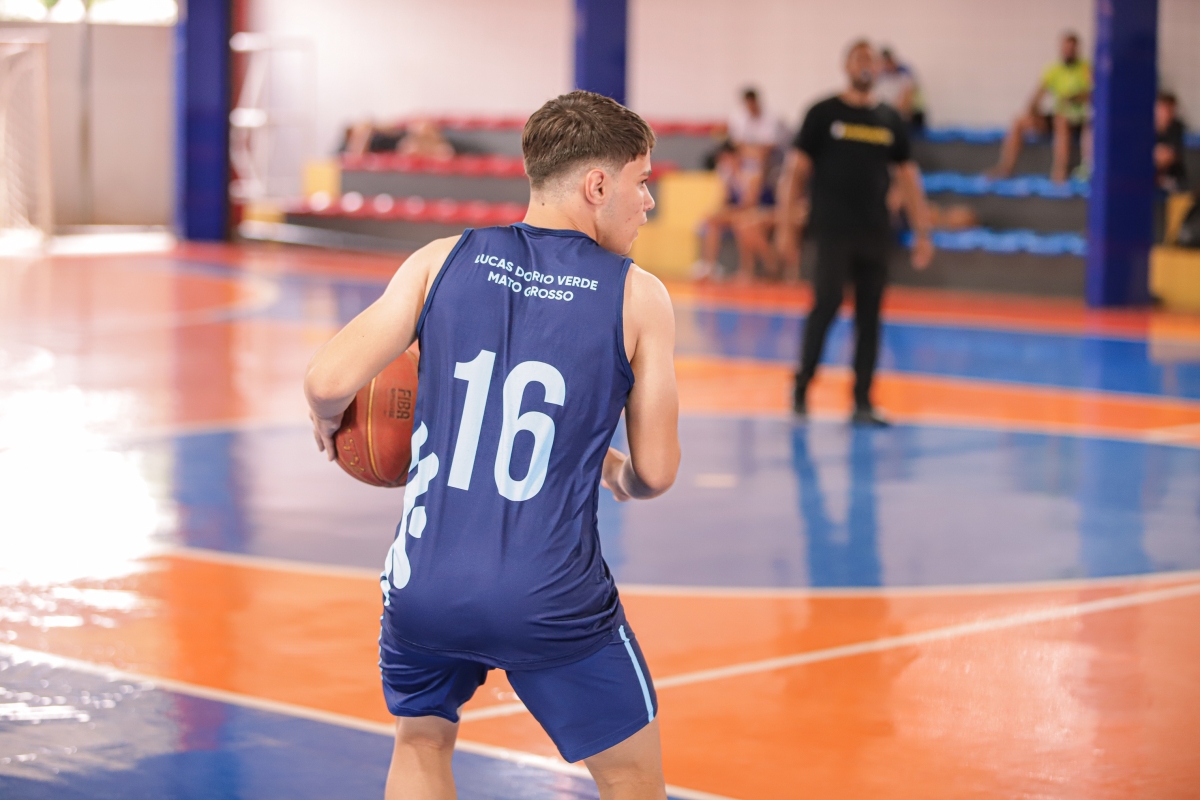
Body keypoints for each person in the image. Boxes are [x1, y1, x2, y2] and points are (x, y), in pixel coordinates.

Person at [304, 90, 680, 800]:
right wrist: (618, 474)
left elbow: (328, 381)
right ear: (598, 186)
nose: (648, 200)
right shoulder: (637, 295)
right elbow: (656, 472)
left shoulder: (441, 260)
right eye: (642, 180)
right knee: (629, 775)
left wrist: (330, 423)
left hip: (424, 585)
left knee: (421, 741)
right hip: (550, 595)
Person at [775, 39, 934, 426]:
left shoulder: (889, 119)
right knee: (826, 305)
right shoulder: (822, 113)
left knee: (870, 316)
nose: (866, 64)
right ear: (846, 65)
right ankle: (802, 389)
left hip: (875, 233)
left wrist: (923, 231)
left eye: (871, 60)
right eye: (859, 58)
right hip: (832, 232)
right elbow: (794, 173)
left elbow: (908, 178)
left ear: (879, 69)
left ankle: (862, 401)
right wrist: (786, 227)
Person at [989, 32, 1092, 183]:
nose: (1068, 52)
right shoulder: (1053, 70)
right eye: (1066, 48)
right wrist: (1032, 110)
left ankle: (1060, 171)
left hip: (1077, 119)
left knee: (1061, 121)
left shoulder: (1086, 68)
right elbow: (1038, 94)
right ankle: (1006, 167)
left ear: (1077, 49)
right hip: (1058, 114)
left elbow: (1093, 94)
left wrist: (1074, 98)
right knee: (1019, 121)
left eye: (1071, 49)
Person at [874, 48, 924, 130]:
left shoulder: (905, 73)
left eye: (890, 62)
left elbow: (906, 101)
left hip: (913, 113)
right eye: (885, 63)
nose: (888, 66)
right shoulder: (881, 76)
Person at [1155, 92, 1188, 193]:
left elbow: (1169, 156)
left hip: (1173, 181)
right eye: (1163, 108)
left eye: (1170, 109)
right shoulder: (1145, 128)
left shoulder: (1177, 128)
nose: (1166, 113)